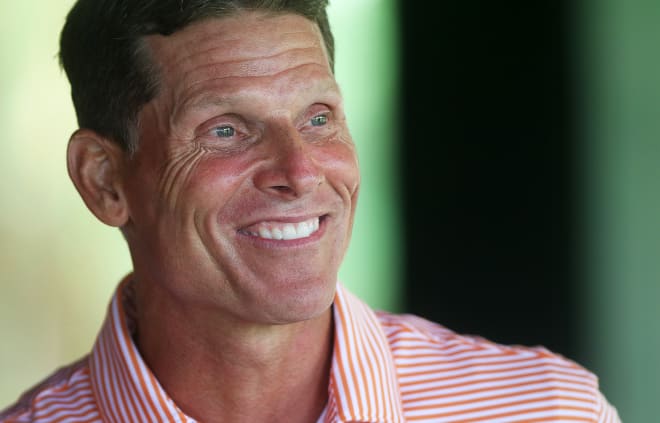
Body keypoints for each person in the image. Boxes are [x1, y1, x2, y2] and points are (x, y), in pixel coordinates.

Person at [1, 1, 620, 422]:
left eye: (317, 118)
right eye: (225, 131)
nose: (300, 172)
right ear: (105, 180)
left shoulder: (545, 409)